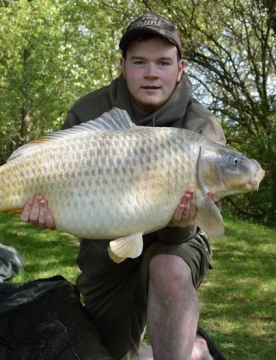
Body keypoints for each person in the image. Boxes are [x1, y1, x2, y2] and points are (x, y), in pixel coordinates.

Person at [21, 12, 227, 360]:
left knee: (169, 269)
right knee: (105, 355)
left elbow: (197, 227)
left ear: (180, 68)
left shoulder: (200, 128)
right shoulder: (90, 111)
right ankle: (193, 349)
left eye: (163, 62)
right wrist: (50, 207)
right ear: (123, 65)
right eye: (139, 62)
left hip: (174, 244)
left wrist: (180, 224)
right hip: (106, 254)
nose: (151, 73)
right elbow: (66, 190)